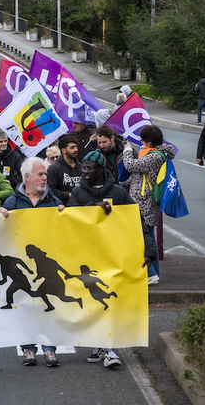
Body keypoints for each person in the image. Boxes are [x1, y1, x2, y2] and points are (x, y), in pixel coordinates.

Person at [67, 150, 156, 369]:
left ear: (101, 169)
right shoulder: (78, 192)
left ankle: (109, 348)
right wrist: (92, 209)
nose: (85, 171)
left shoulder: (118, 192)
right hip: (87, 257)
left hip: (114, 256)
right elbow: (69, 220)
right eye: (84, 167)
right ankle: (99, 343)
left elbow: (136, 221)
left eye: (90, 168)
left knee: (109, 301)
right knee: (93, 302)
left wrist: (149, 249)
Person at [0, 157, 65, 368]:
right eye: (40, 174)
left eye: (45, 174)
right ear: (27, 177)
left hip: (45, 267)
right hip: (24, 268)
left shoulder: (53, 201)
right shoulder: (13, 202)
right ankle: (28, 348)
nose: (45, 178)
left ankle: (50, 349)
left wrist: (65, 216)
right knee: (26, 306)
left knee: (50, 307)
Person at [121, 124, 176, 284]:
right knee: (149, 241)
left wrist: (127, 151)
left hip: (144, 202)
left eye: (144, 140)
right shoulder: (158, 154)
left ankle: (150, 274)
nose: (142, 143)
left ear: (150, 141)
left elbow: (130, 165)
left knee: (139, 240)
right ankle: (155, 274)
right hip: (147, 201)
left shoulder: (155, 156)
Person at [46, 133, 82, 205]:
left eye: (76, 147)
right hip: (62, 208)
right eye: (72, 148)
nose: (76, 150)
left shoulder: (81, 167)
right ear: (63, 150)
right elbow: (50, 190)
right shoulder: (54, 168)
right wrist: (68, 195)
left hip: (80, 207)